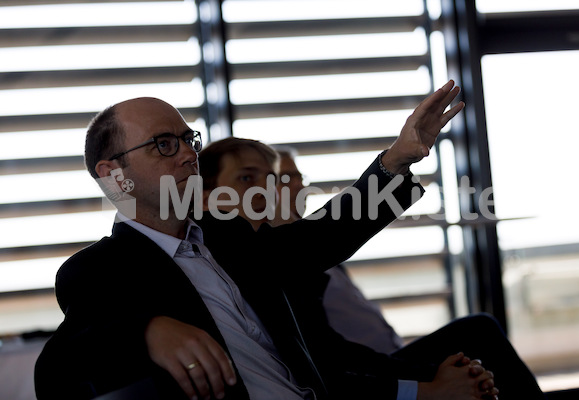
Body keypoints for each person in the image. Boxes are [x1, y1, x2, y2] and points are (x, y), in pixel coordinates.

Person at [33, 81, 503, 400]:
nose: (186, 155)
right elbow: (58, 368)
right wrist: (145, 331)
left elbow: (321, 238)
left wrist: (395, 163)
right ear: (113, 174)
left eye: (187, 139)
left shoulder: (230, 238)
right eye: (162, 144)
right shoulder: (98, 270)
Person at [198, 138, 546, 400]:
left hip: (366, 371)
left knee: (476, 353)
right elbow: (329, 368)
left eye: (275, 179)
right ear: (205, 197)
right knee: (479, 333)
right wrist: (425, 388)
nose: (268, 189)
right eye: (247, 178)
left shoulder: (280, 255)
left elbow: (334, 350)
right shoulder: (238, 258)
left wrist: (434, 376)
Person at [272, 145, 404, 354]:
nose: (299, 186)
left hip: (390, 358)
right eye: (287, 178)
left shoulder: (323, 248)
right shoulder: (283, 257)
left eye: (300, 178)